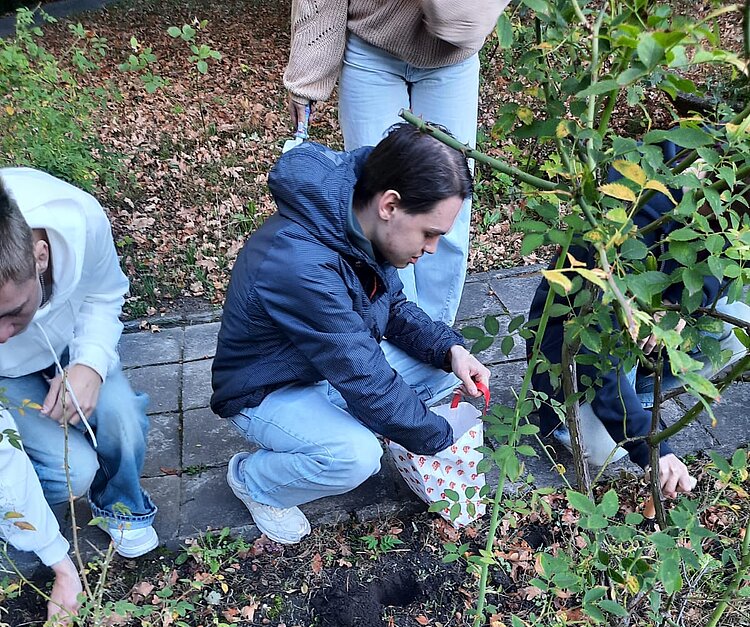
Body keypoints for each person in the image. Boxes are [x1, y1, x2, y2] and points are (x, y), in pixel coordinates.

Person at [211, 123, 490, 544]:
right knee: (353, 456)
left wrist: (449, 348)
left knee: (449, 373)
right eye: (429, 233)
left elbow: (392, 308)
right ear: (390, 205)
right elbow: (363, 375)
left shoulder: (356, 221)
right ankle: (255, 482)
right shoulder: (301, 263)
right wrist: (436, 436)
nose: (431, 248)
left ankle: (360, 423)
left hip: (323, 365)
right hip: (266, 388)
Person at [528, 144, 748, 499]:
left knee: (739, 322)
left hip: (633, 344)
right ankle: (590, 418)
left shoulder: (722, 215)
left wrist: (678, 306)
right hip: (576, 358)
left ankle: (642, 392)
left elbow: (716, 269)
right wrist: (652, 446)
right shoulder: (624, 221)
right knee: (601, 450)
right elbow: (595, 355)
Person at [283, 0, 508, 325]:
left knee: (445, 221)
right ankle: (394, 344)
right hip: (372, 45)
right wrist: (307, 75)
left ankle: (436, 349)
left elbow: (459, 20)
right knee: (377, 211)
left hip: (452, 56)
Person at [0, 168, 158, 623]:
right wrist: (60, 562)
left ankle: (122, 508)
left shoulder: (81, 218)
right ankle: (18, 515)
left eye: (11, 313)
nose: (3, 336)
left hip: (71, 342)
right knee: (73, 473)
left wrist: (88, 364)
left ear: (41, 257)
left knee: (122, 419)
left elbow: (106, 295)